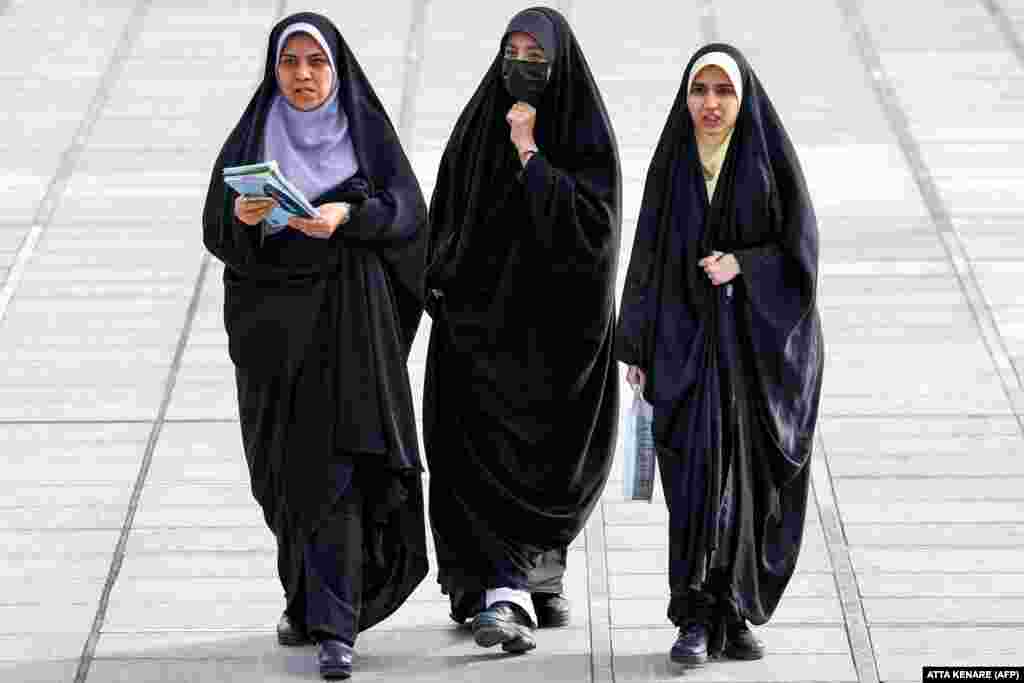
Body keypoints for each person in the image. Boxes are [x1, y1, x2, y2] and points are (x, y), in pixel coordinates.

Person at [201, 12, 429, 680]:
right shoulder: (254, 136)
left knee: (337, 473)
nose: (302, 76)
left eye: (316, 63)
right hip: (275, 343)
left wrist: (349, 216)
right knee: (281, 478)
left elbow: (410, 214)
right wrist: (244, 220)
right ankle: (304, 599)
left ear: (337, 70)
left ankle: (337, 625)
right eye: (290, 62)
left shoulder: (364, 136)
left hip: (348, 334)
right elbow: (217, 231)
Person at [615, 44, 825, 666]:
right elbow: (647, 253)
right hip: (685, 348)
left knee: (748, 487)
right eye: (699, 91)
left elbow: (801, 258)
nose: (710, 104)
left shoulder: (768, 161)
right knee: (697, 484)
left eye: (722, 92)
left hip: (757, 360)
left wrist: (745, 265)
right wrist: (638, 344)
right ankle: (696, 612)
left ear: (743, 98)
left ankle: (731, 612)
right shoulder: (673, 163)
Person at [422, 6, 621, 655]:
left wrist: (531, 156)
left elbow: (593, 237)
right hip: (482, 339)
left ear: (559, 65)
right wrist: (446, 285)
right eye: (513, 50)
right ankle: (503, 591)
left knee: (545, 462)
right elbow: (447, 216)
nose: (521, 65)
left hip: (555, 344)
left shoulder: (585, 136)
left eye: (536, 55)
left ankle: (537, 574)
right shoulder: (480, 126)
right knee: (481, 462)